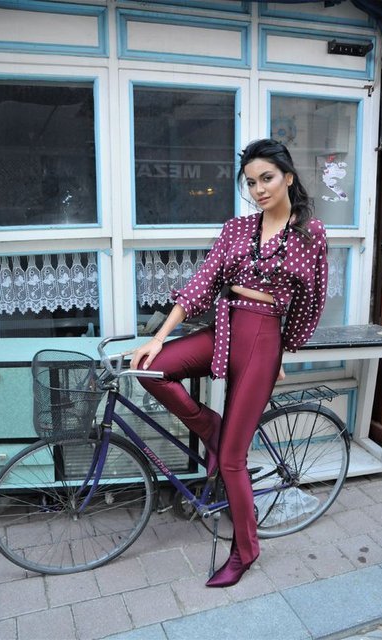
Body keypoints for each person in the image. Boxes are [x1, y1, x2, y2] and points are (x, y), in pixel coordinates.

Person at [129, 138, 328, 588]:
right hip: (225, 324)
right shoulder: (237, 228)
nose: (259, 189)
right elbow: (202, 283)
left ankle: (245, 550)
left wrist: (283, 351)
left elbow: (310, 303)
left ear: (288, 178)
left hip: (263, 336)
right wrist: (157, 338)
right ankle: (211, 426)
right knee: (151, 370)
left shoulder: (310, 233)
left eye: (267, 178)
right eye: (251, 182)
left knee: (233, 460)